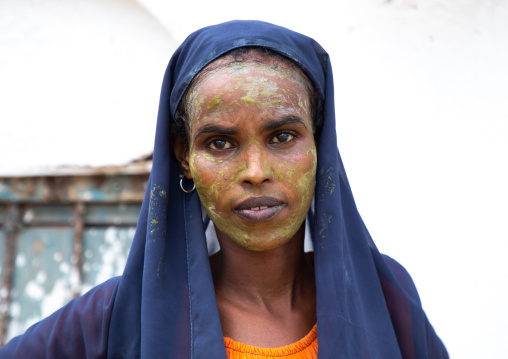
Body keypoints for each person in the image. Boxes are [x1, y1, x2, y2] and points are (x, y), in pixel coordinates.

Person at [0, 20, 448, 358]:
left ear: (319, 143)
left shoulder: (384, 296)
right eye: (220, 142)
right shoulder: (114, 319)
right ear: (184, 156)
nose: (255, 171)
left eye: (283, 136)